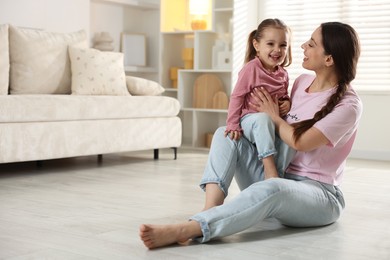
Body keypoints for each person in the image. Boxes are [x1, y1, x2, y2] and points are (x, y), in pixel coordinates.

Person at [139, 21, 362, 249]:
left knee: (274, 187)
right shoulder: (301, 82)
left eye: (312, 44)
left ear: (329, 59)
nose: (303, 45)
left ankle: (190, 229)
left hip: (318, 195)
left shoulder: (349, 105)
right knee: (225, 134)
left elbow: (301, 142)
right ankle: (210, 209)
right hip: (277, 173)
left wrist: (273, 116)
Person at [225, 18, 293, 179]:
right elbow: (237, 96)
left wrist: (287, 104)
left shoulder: (283, 74)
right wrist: (232, 123)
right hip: (250, 120)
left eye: (283, 45)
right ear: (257, 45)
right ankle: (269, 167)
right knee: (263, 119)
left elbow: (284, 95)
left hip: (272, 121)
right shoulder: (251, 68)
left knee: (293, 132)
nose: (277, 50)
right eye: (270, 44)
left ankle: (279, 172)